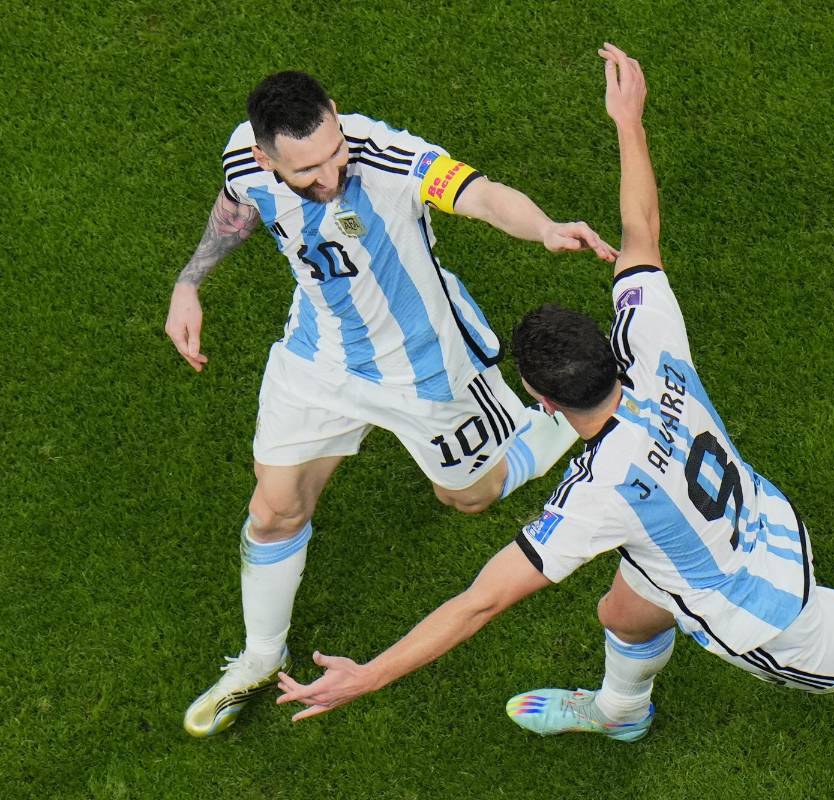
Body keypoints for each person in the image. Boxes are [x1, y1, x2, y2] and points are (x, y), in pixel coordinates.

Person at [275, 44, 834, 734]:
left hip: (770, 610)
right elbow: (642, 233)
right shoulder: (655, 350)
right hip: (736, 524)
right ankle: (623, 714)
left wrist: (369, 675)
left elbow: (479, 601)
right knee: (622, 603)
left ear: (544, 406)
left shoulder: (593, 499)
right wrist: (628, 121)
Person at [168, 70, 617, 737]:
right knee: (273, 510)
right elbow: (238, 205)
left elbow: (482, 195)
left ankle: (545, 424)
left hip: (429, 366)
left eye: (333, 152)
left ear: (337, 117)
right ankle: (262, 658)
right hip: (320, 355)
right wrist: (189, 283)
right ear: (265, 155)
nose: (329, 176)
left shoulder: (385, 158)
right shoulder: (245, 156)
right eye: (307, 171)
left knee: (469, 498)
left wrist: (543, 226)